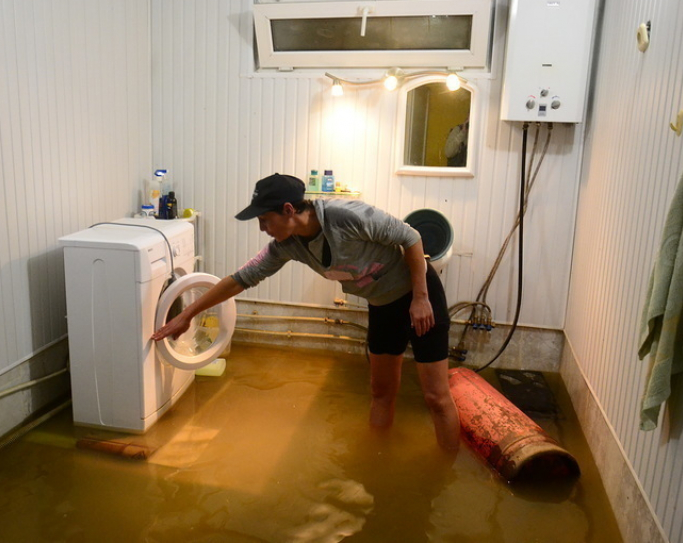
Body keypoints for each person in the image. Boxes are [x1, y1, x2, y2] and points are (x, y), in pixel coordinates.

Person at [151, 174, 460, 452]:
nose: (262, 229)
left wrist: (420, 298)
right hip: (381, 305)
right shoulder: (287, 245)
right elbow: (241, 279)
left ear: (288, 210)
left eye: (265, 220)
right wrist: (186, 314)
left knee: (435, 397)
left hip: (420, 296)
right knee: (381, 392)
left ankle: (444, 474)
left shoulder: (344, 216)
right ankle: (377, 461)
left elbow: (411, 237)